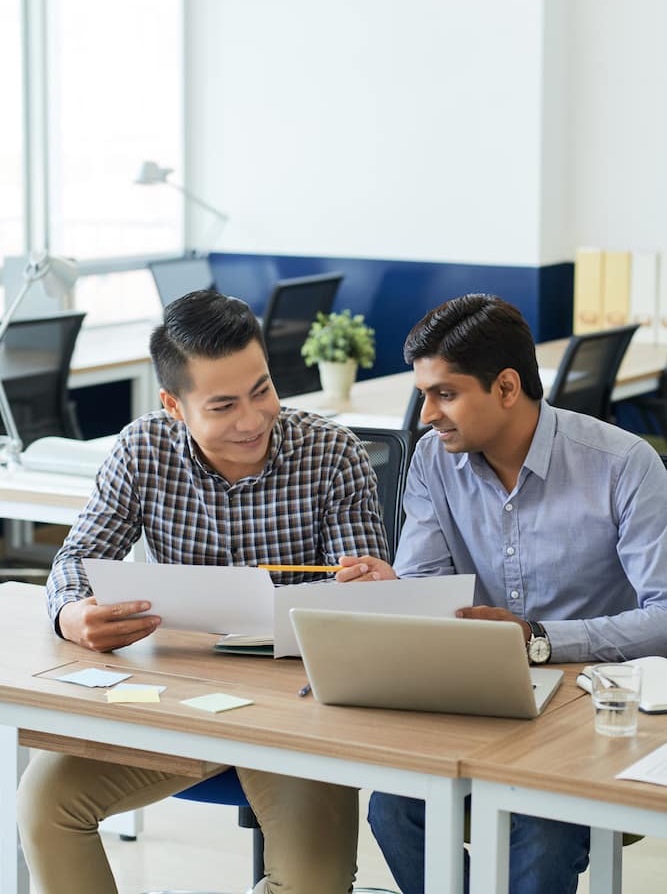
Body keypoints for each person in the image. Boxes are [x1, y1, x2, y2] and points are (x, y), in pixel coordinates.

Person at [17, 288, 390, 894]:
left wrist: (368, 591)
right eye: (222, 405)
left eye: (262, 390)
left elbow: (364, 603)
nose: (252, 419)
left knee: (313, 884)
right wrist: (69, 615)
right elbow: (77, 560)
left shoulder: (332, 453)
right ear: (173, 404)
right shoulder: (142, 450)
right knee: (44, 801)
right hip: (177, 701)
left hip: (295, 712)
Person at [336, 292, 667, 894]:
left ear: (508, 387)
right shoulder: (434, 460)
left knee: (540, 827)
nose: (428, 414)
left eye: (446, 393)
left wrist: (538, 640)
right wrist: (394, 595)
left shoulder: (625, 466)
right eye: (423, 393)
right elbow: (426, 591)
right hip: (479, 695)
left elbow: (665, 617)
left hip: (594, 706)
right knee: (394, 808)